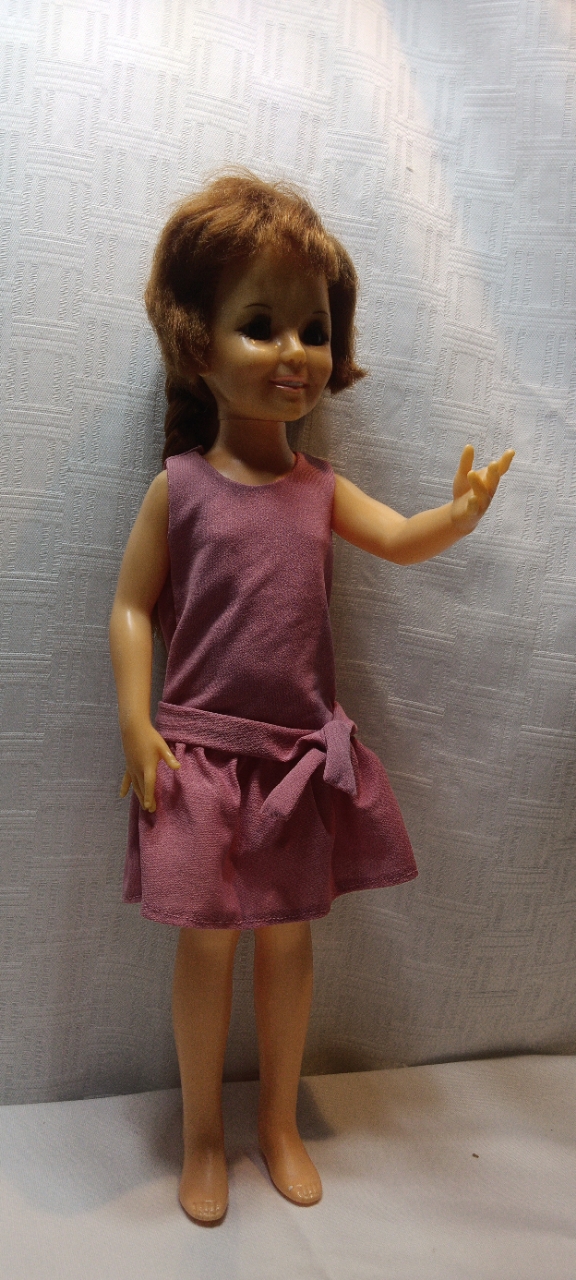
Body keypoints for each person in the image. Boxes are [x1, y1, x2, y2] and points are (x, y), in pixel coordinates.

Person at [109, 172, 513, 1224]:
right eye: (261, 325)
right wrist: (137, 721)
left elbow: (399, 538)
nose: (295, 351)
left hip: (296, 763)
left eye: (314, 329)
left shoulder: (319, 489)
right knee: (207, 943)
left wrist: (456, 516)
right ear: (197, 344)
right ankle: (204, 1134)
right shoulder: (180, 488)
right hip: (196, 760)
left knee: (289, 939)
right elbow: (132, 606)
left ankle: (279, 1122)